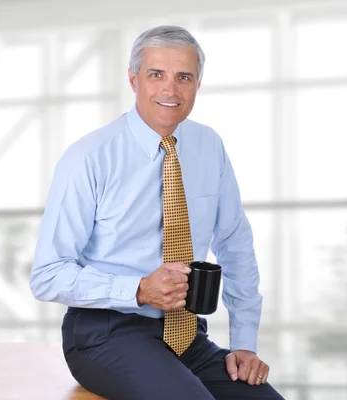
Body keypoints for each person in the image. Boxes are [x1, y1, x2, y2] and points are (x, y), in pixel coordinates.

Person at [29, 25, 284, 400]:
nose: (170, 89)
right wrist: (138, 289)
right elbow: (47, 275)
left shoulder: (208, 145)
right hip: (105, 335)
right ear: (133, 80)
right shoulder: (88, 157)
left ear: (198, 84)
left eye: (184, 77)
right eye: (156, 75)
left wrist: (244, 343)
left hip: (185, 335)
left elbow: (234, 244)